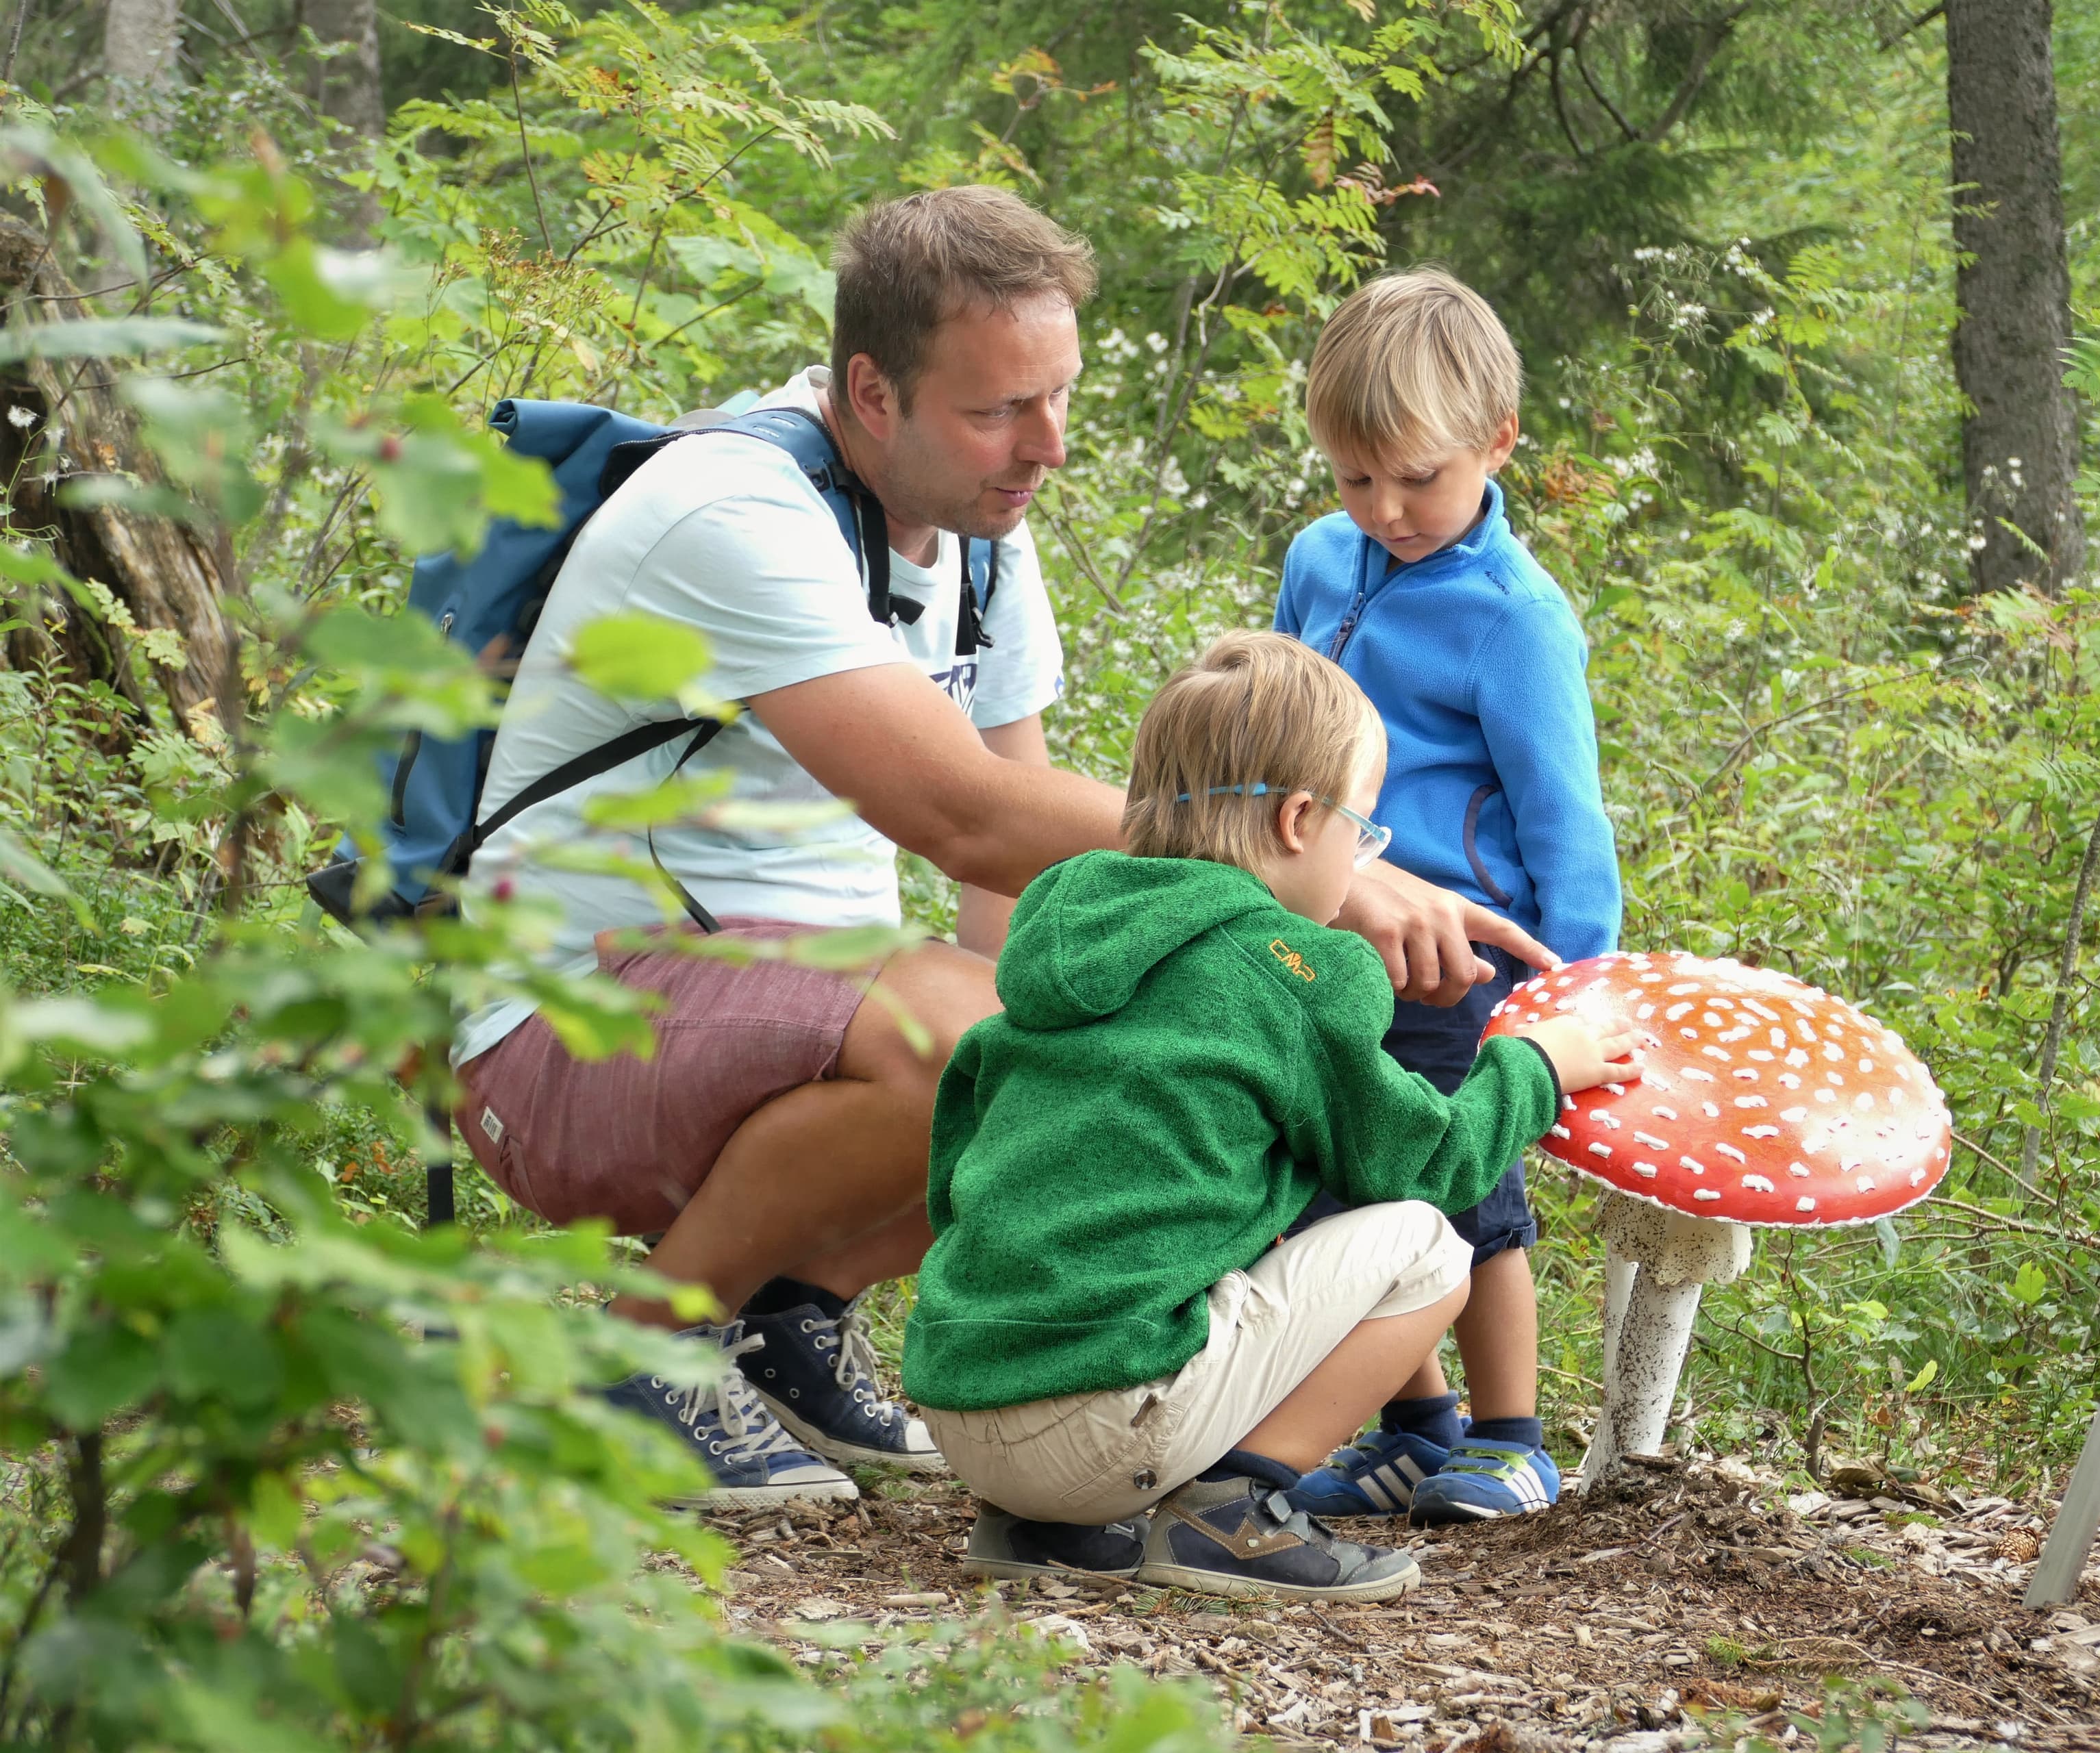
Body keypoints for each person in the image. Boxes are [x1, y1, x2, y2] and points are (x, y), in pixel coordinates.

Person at [449, 190, 1551, 1509]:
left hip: (769, 1018)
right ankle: (636, 1368)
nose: (1049, 446)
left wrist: (1148, 1046)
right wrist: (1306, 867)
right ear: (873, 392)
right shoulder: (734, 514)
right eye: (1001, 410)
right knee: (967, 1039)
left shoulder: (980, 537)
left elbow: (1021, 887)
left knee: (1112, 1064)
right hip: (566, 1030)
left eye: (1059, 396)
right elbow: (962, 814)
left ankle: (787, 1317)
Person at [901, 632, 1634, 1600]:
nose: (1364, 858)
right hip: (1108, 1428)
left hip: (963, 1409)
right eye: (1363, 831)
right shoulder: (1296, 971)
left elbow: (958, 1154)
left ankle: (1048, 1528)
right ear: (1300, 820)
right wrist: (1537, 1066)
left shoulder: (1065, 934)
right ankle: (1232, 1512)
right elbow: (1429, 1164)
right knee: (1427, 1248)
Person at [1273, 269, 1621, 1525]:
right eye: (1355, 477)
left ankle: (1512, 1435)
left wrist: (1569, 994)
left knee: (1463, 1187)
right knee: (1330, 1179)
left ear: (1497, 443)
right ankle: (1418, 1427)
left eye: (1418, 477)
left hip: (1460, 965)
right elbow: (1281, 725)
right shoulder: (1322, 559)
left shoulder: (1514, 618)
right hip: (1320, 933)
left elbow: (1566, 820)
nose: (1385, 510)